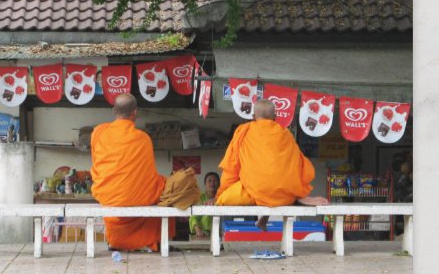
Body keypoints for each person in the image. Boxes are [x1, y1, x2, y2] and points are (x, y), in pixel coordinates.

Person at [90, 93, 199, 252]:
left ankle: (117, 242)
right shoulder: (143, 138)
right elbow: (146, 174)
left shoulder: (98, 133)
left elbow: (97, 164)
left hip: (108, 193)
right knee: (171, 190)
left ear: (114, 110)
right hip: (138, 194)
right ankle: (158, 241)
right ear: (135, 112)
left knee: (134, 190)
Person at [215, 99, 329, 230]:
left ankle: (268, 207)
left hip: (253, 193)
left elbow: (231, 167)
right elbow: (301, 165)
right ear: (275, 117)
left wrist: (220, 195)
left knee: (224, 199)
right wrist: (298, 192)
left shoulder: (243, 131)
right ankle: (296, 198)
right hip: (284, 195)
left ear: (253, 117)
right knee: (278, 187)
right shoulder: (285, 133)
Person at [188, 172, 220, 238]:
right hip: (203, 234)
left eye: (215, 181)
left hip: (221, 233)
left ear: (219, 184)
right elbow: (193, 217)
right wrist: (198, 231)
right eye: (209, 181)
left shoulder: (223, 197)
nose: (212, 184)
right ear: (205, 184)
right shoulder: (200, 198)